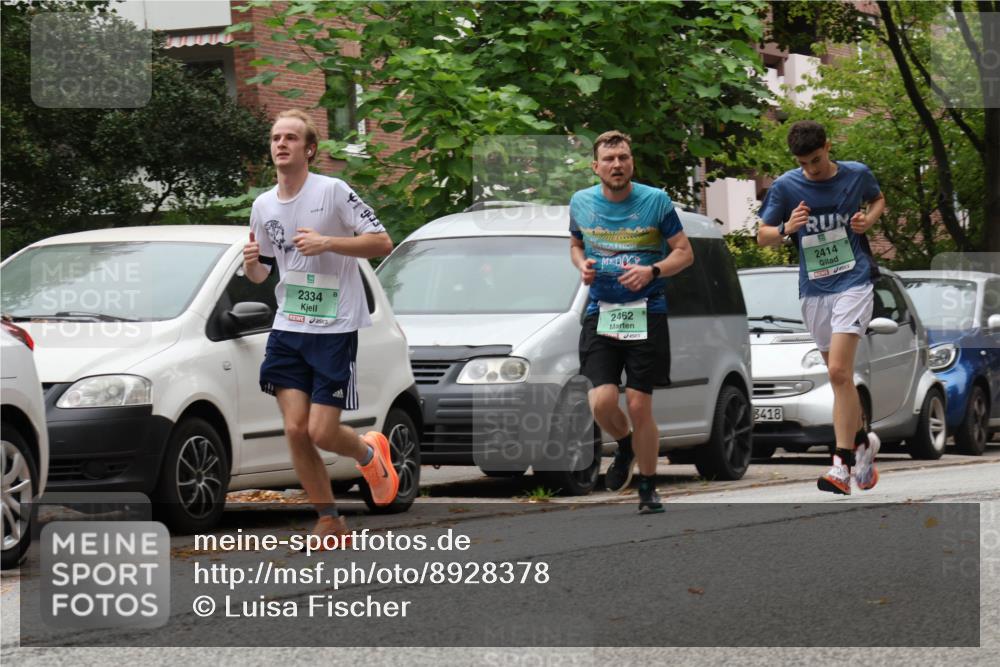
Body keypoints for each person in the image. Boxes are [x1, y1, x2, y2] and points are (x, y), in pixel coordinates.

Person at [242, 109, 398, 546]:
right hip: (288, 326)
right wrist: (252, 265)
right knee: (295, 429)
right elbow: (263, 274)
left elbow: (381, 242)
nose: (281, 144)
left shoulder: (333, 192)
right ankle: (329, 518)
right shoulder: (263, 205)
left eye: (291, 137)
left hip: (334, 326)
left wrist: (329, 242)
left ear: (308, 148)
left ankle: (370, 453)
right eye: (275, 137)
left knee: (321, 431)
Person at [756, 120, 886, 495]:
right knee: (838, 378)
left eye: (816, 160)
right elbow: (761, 236)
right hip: (813, 290)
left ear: (829, 147)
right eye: (804, 163)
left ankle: (841, 465)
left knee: (838, 372)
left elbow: (877, 199)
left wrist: (868, 220)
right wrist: (786, 229)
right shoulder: (785, 186)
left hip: (854, 280)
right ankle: (863, 443)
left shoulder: (856, 174)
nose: (811, 169)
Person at [569, 130, 694, 513]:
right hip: (601, 312)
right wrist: (582, 265)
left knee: (640, 406)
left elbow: (684, 254)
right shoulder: (580, 202)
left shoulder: (655, 202)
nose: (617, 165)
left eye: (623, 157)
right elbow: (575, 244)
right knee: (602, 402)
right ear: (596, 167)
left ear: (631, 163)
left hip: (646, 313)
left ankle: (648, 487)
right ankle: (624, 445)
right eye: (609, 159)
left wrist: (652, 270)